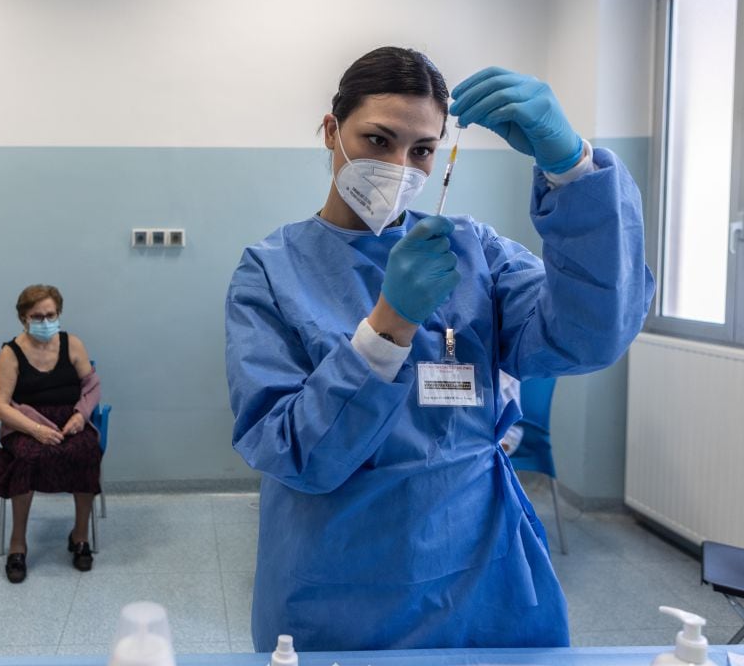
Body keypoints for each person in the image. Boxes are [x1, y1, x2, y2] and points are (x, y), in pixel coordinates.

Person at [223, 47, 655, 651]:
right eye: (378, 140)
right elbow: (292, 452)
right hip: (341, 580)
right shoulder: (271, 272)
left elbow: (588, 336)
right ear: (331, 131)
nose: (399, 166)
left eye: (422, 150)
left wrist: (573, 170)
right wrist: (388, 326)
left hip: (482, 569)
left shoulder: (471, 250)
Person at [0, 284, 102, 582]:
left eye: (51, 315)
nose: (46, 322)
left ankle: (79, 536)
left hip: (68, 420)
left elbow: (91, 387)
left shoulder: (72, 344)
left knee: (86, 450)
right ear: (23, 318)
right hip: (25, 423)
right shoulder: (10, 354)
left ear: (59, 313)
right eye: (38, 316)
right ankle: (18, 544)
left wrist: (80, 415)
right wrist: (36, 430)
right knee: (27, 457)